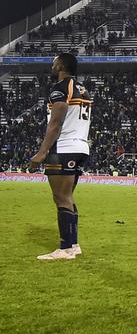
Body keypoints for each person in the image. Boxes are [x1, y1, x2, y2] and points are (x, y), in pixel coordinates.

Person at [29, 53, 92, 260]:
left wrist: (42, 151)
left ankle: (65, 249)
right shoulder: (82, 89)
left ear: (62, 65)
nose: (52, 66)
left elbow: (55, 122)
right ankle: (73, 245)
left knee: (61, 198)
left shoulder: (61, 87)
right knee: (68, 197)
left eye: (55, 63)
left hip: (64, 148)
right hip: (80, 146)